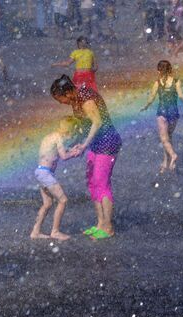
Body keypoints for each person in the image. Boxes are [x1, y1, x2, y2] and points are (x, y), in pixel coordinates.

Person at [50, 75, 122, 240]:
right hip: (96, 142)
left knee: (101, 183)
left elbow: (96, 122)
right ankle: (100, 223)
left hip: (107, 141)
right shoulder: (76, 100)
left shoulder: (86, 98)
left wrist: (84, 145)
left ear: (67, 92)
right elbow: (84, 126)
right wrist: (78, 143)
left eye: (60, 99)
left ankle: (108, 227)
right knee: (92, 181)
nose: (61, 103)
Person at [140, 60, 183, 173]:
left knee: (164, 139)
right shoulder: (176, 81)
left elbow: (151, 97)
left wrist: (146, 106)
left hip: (162, 113)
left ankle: (172, 155)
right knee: (168, 137)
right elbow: (181, 96)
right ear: (170, 69)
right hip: (173, 113)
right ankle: (166, 162)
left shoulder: (157, 83)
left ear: (158, 71)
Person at [30, 117, 81, 241]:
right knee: (63, 200)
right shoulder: (58, 138)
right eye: (73, 133)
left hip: (40, 171)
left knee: (47, 204)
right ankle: (55, 231)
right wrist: (74, 153)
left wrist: (70, 149)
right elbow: (63, 156)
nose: (72, 136)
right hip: (46, 174)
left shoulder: (50, 136)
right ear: (70, 130)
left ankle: (35, 232)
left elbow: (55, 151)